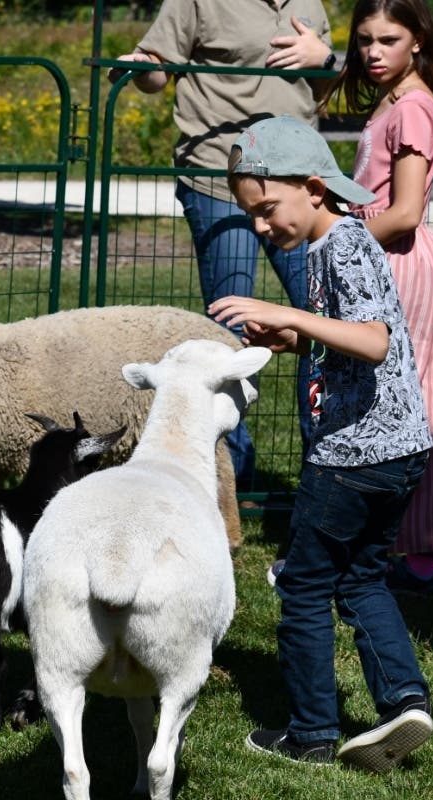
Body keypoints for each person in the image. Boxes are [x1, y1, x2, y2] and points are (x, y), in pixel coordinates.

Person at [209, 116, 433, 770]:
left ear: (312, 188)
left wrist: (287, 314)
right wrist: (293, 339)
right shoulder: (331, 243)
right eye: (250, 214)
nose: (259, 226)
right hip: (399, 450)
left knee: (304, 586)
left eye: (266, 209)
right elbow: (351, 331)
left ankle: (310, 733)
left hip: (352, 454)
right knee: (361, 578)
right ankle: (404, 701)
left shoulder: (340, 244)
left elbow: (373, 340)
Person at [106, 0, 336, 486]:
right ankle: (229, 472)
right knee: (229, 328)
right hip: (218, 177)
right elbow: (157, 69)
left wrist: (324, 60)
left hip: (295, 184)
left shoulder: (310, 3)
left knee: (323, 322)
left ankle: (324, 464)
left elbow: (327, 92)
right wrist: (142, 68)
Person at [317, 0, 433, 597]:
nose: (373, 52)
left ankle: (419, 556)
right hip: (388, 257)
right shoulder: (392, 100)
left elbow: (405, 213)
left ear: (419, 42)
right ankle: (398, 547)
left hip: (402, 259)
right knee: (391, 401)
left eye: (388, 40)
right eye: (364, 40)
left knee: (408, 406)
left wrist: (339, 242)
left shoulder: (412, 107)